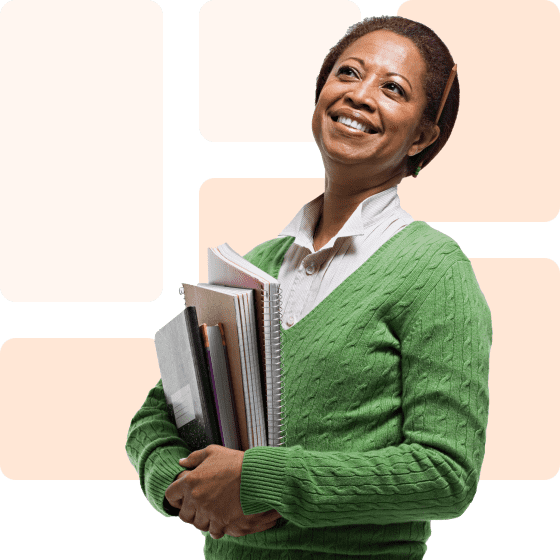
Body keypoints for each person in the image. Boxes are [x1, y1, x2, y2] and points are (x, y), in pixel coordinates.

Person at [126, 15, 492, 560]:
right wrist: (178, 489)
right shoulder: (253, 267)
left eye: (393, 89)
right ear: (321, 94)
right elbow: (160, 414)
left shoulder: (434, 270)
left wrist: (263, 477)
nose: (361, 96)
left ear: (422, 135)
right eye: (348, 73)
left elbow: (445, 474)